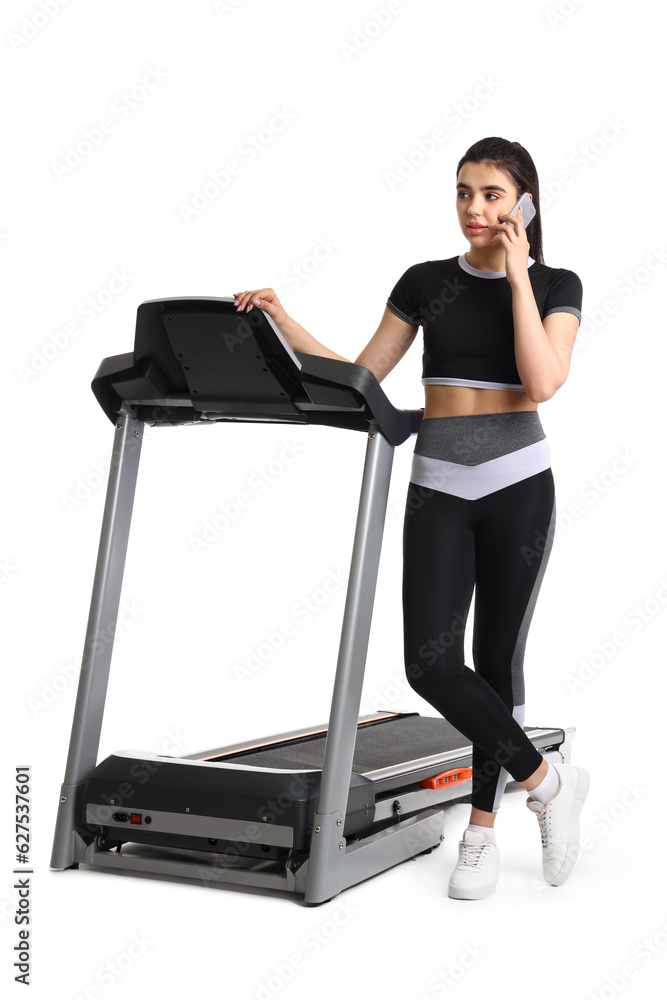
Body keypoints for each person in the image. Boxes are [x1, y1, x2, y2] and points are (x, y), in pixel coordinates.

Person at [233, 136, 590, 900]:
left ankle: (482, 831)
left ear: (524, 201)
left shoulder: (558, 283)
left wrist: (519, 272)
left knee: (497, 661)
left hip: (517, 482)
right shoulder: (424, 282)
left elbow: (543, 379)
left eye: (492, 194)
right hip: (436, 484)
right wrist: (284, 323)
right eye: (463, 192)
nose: (473, 208)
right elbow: (362, 377)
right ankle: (550, 784)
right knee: (429, 663)